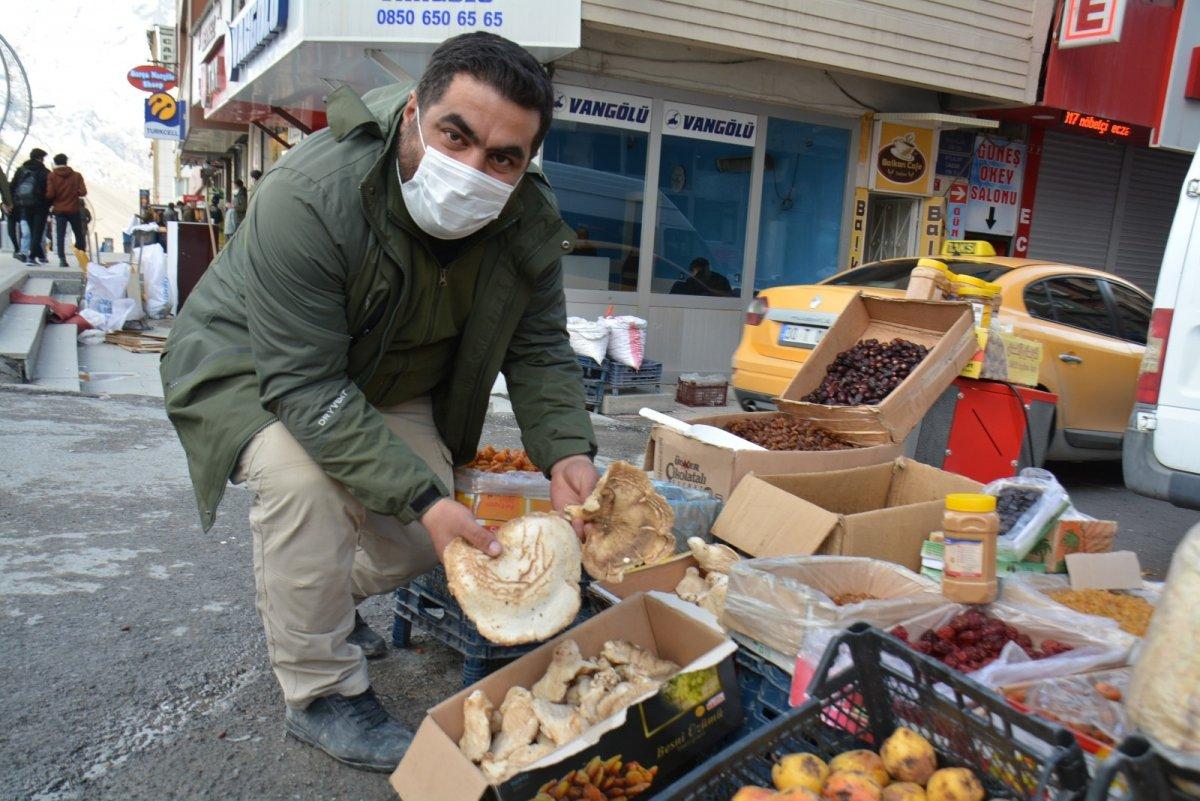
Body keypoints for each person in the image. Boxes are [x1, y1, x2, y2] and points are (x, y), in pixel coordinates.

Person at [160, 32, 598, 772]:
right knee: (306, 483)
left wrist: (570, 453)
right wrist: (424, 496)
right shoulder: (311, 193)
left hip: (386, 375)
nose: (473, 168)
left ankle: (312, 600)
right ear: (410, 117)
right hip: (257, 363)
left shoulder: (525, 219)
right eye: (455, 135)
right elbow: (304, 383)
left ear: (525, 166)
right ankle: (321, 690)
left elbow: (540, 349)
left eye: (502, 157)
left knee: (429, 535)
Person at [44, 153, 88, 268]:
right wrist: (74, 193)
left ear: (55, 163)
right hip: (74, 209)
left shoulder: (52, 176)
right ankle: (81, 258)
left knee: (60, 235)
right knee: (79, 234)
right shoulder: (77, 175)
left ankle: (62, 259)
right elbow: (83, 192)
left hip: (59, 210)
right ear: (66, 162)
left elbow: (50, 194)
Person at [11, 148, 51, 266]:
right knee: (37, 232)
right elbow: (49, 191)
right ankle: (31, 257)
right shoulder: (45, 172)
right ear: (40, 158)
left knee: (33, 231)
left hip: (25, 205)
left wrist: (16, 202)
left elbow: (13, 186)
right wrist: (48, 204)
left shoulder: (21, 170)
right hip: (40, 206)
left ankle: (41, 256)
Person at [669, 256, 734, 297]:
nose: (697, 275)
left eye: (701, 272)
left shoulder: (721, 280)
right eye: (693, 272)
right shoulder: (691, 281)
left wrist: (708, 290)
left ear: (708, 270)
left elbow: (730, 296)